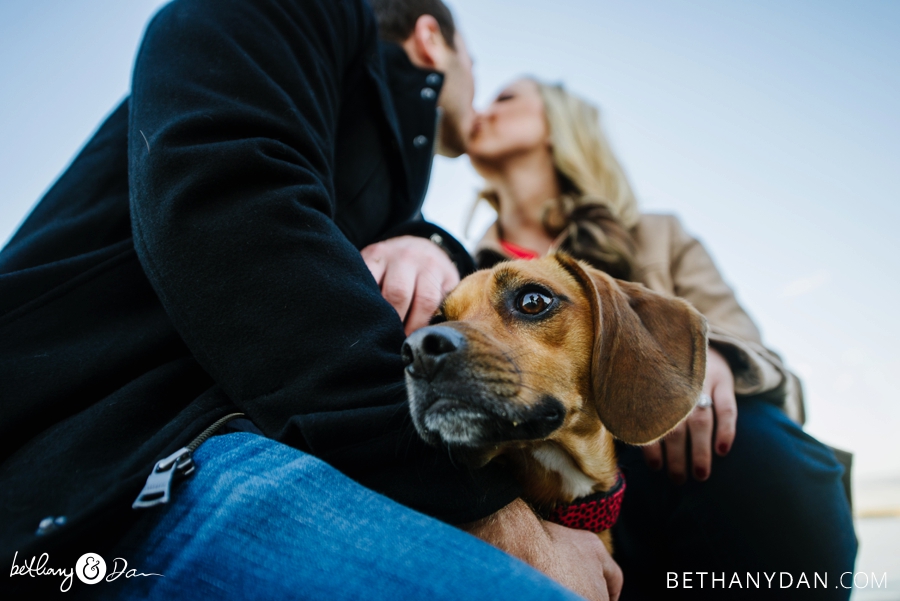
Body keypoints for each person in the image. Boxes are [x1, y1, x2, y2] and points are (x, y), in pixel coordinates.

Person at [0, 2, 620, 599]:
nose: (480, 94)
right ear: (432, 40)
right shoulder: (301, 11)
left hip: (218, 437)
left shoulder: (385, 183)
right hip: (105, 453)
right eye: (477, 66)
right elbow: (231, 217)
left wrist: (430, 242)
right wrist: (486, 512)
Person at [465, 77, 858, 600]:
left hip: (664, 467)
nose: (482, 108)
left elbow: (765, 360)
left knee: (772, 451)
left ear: (558, 125)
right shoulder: (465, 273)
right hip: (537, 496)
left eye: (506, 98)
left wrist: (710, 358)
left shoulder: (659, 234)